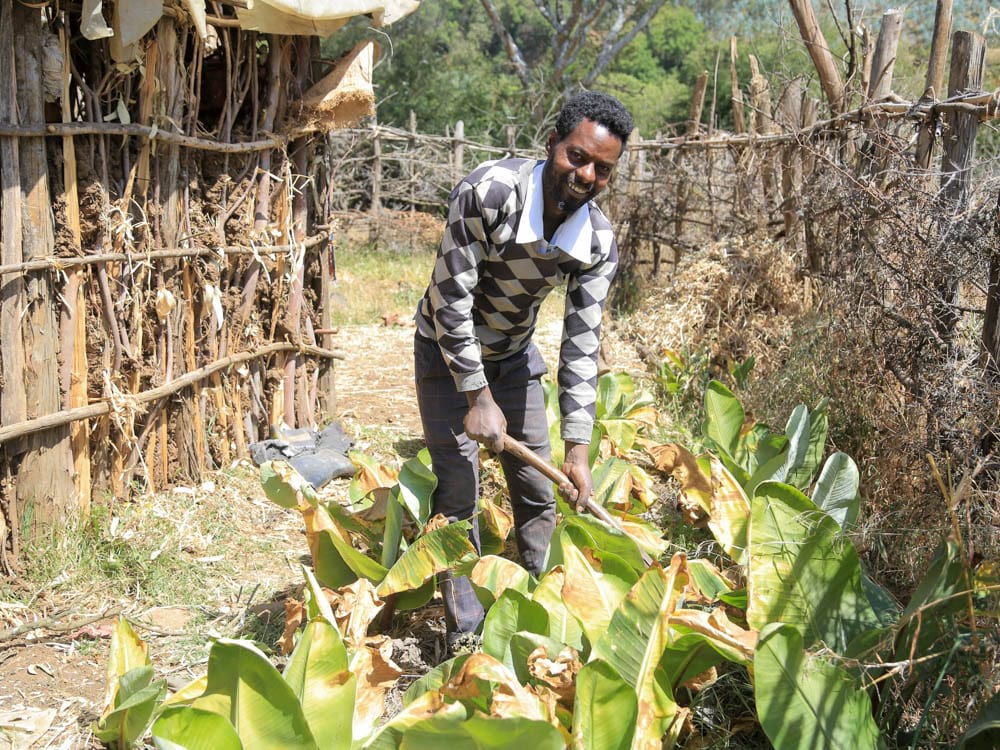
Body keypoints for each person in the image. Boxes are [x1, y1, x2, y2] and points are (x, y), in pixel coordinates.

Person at [413, 90, 634, 646]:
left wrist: (578, 452)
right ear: (551, 144)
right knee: (458, 487)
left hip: (512, 355)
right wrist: (476, 397)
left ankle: (539, 612)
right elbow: (450, 301)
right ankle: (464, 625)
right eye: (576, 157)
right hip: (445, 351)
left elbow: (581, 347)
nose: (585, 176)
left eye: (602, 170)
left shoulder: (598, 243)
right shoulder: (488, 194)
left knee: (538, 486)